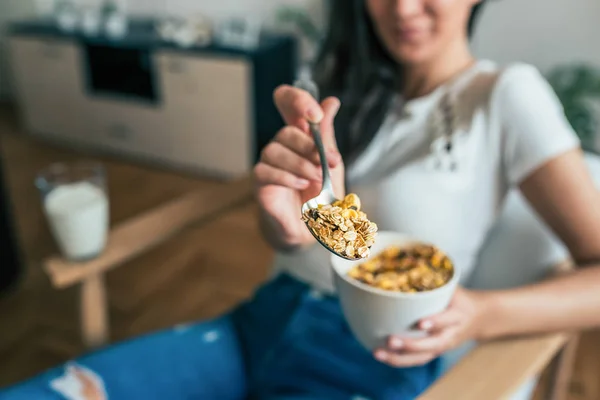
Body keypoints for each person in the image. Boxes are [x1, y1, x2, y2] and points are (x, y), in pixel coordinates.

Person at [3, 0, 600, 399]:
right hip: (262, 321)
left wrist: (481, 313)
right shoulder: (352, 87)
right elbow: (349, 248)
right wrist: (291, 225)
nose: (401, 8)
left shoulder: (504, 97)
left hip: (364, 360)